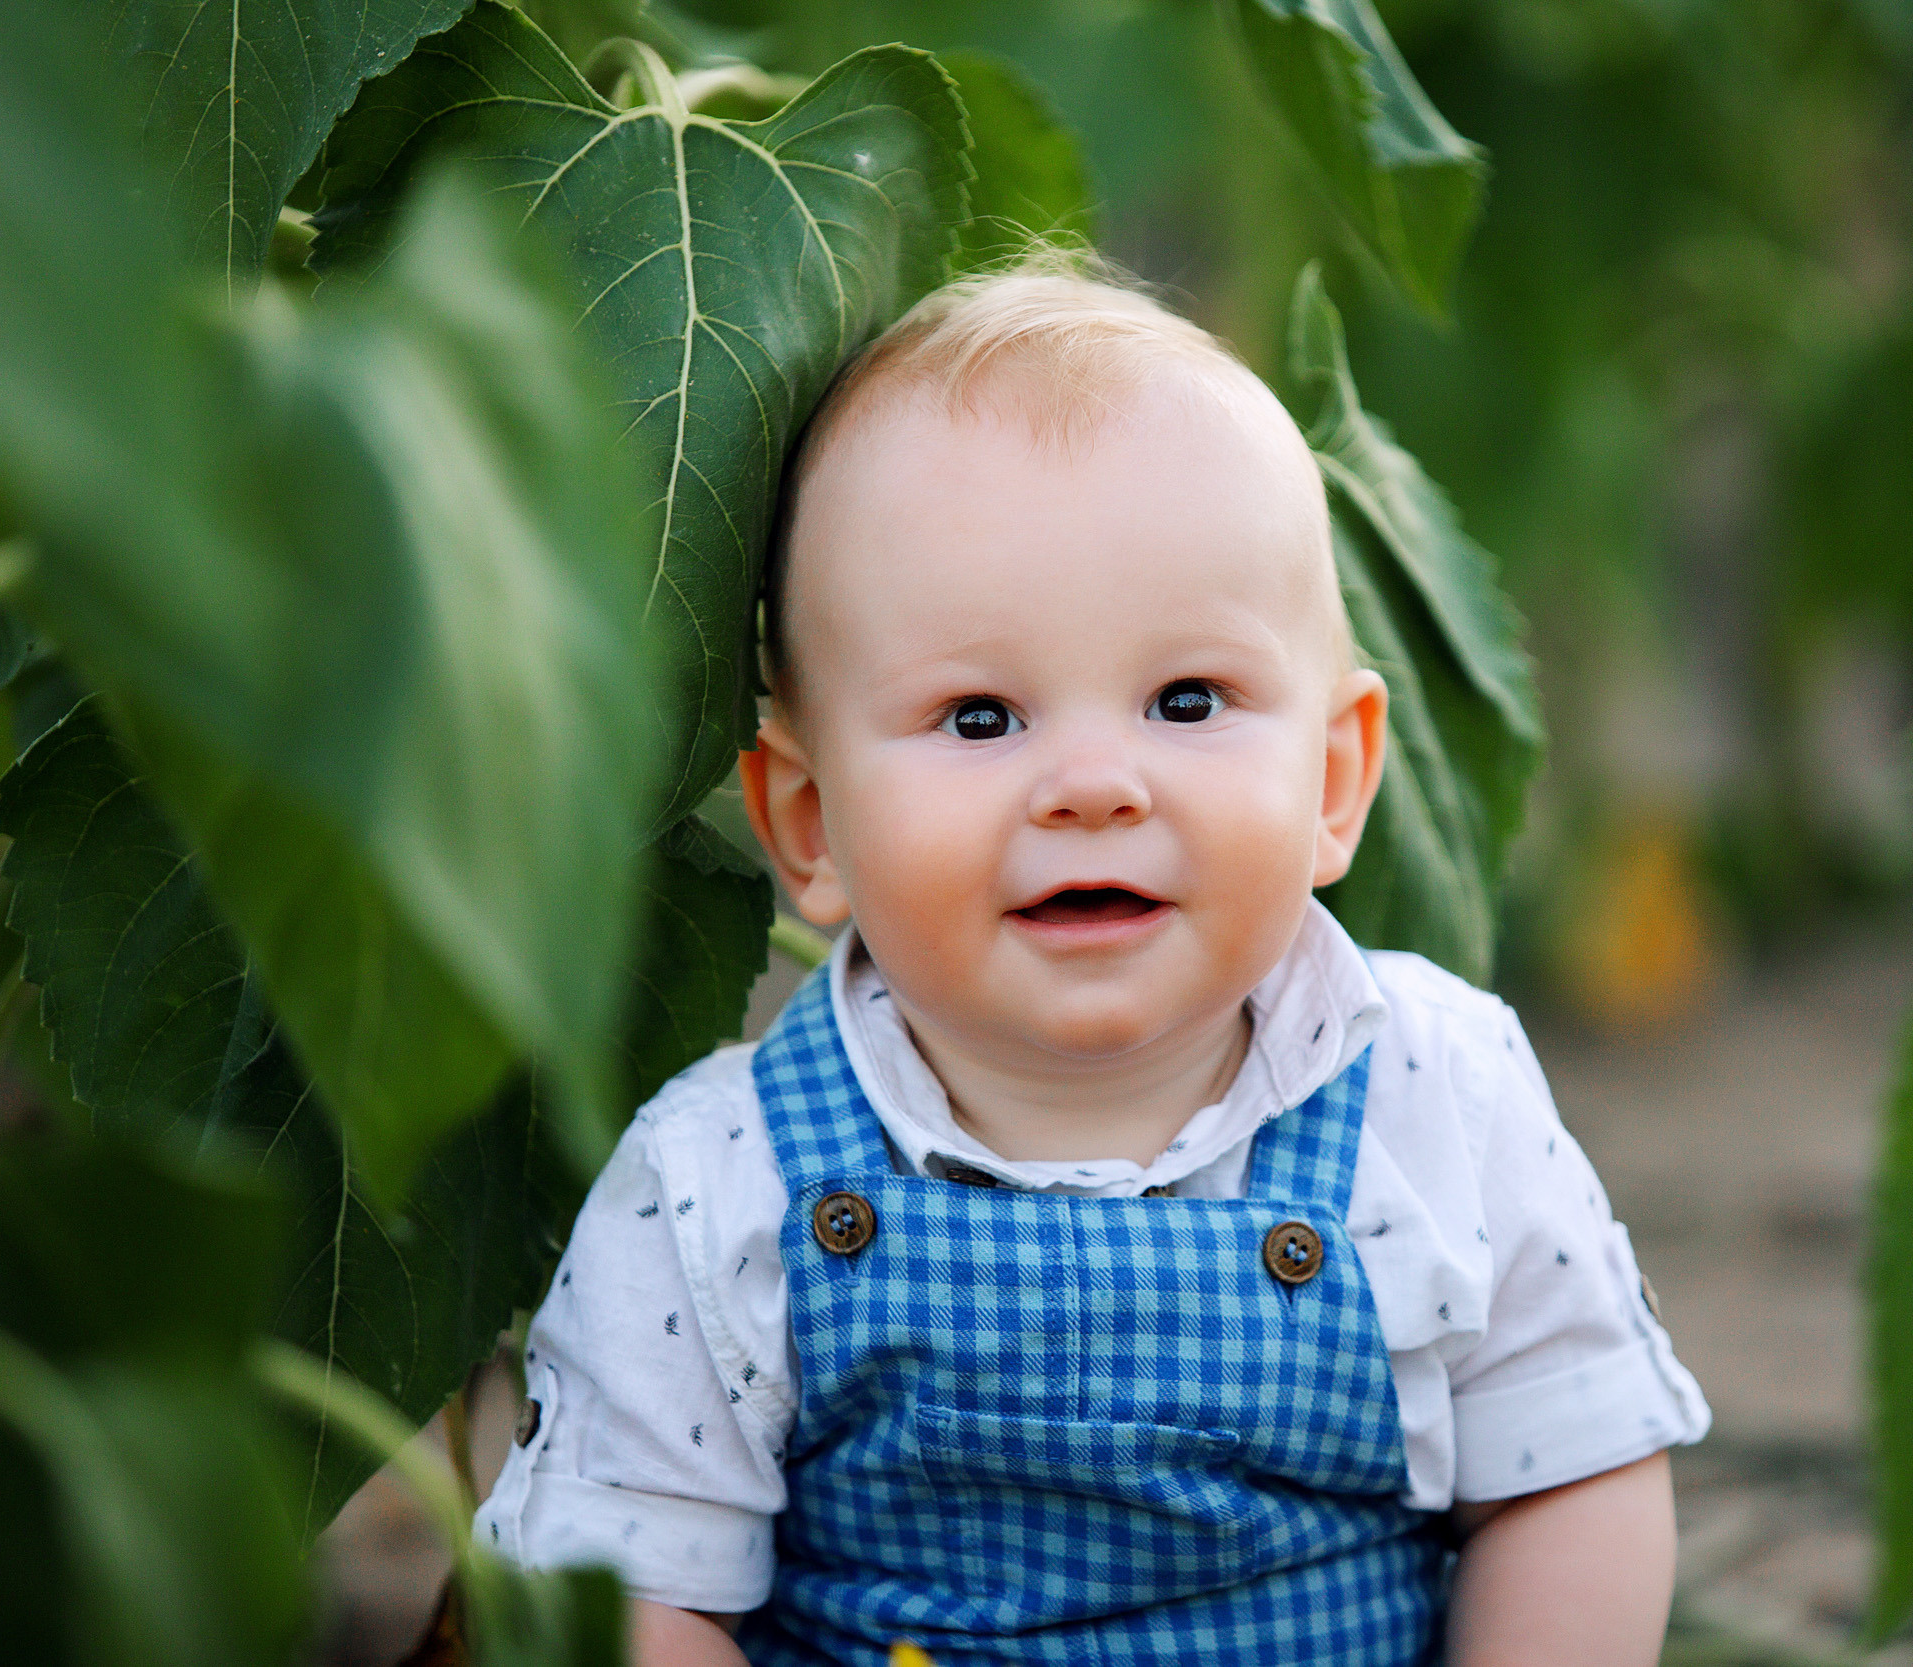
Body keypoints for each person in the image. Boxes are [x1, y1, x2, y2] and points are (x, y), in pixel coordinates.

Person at [473, 253, 1709, 1666]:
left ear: (1332, 779)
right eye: (981, 718)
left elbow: (1571, 1472)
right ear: (810, 824)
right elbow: (632, 1593)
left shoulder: (1433, 1096)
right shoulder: (720, 1182)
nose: (1094, 787)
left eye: (1186, 700)